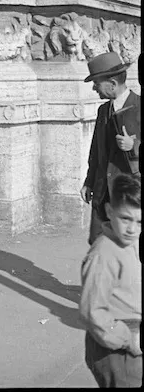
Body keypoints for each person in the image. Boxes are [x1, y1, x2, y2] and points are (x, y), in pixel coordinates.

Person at [79, 173, 141, 388]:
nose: (132, 228)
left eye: (139, 221)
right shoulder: (103, 255)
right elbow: (92, 312)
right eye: (125, 219)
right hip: (115, 347)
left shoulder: (130, 242)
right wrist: (128, 339)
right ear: (109, 211)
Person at [80, 52, 140, 245]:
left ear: (112, 83)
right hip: (103, 193)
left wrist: (134, 146)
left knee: (127, 248)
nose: (94, 88)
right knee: (98, 244)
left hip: (130, 197)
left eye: (96, 83)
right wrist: (89, 181)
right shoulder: (103, 111)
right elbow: (96, 152)